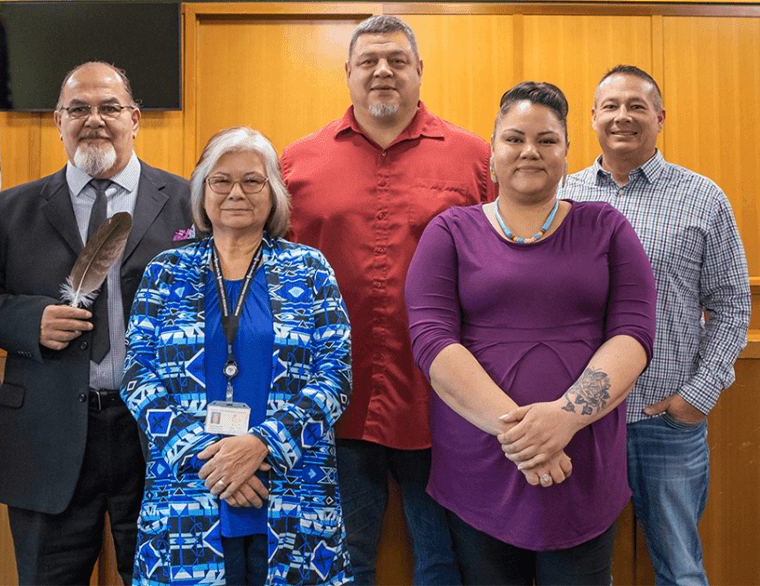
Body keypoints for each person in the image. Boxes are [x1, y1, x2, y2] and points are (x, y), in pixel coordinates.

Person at [404, 81, 657, 584]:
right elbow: (432, 339)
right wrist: (523, 437)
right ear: (492, 151)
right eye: (514, 139)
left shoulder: (606, 227)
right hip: (482, 461)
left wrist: (564, 419)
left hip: (581, 459)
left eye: (546, 140)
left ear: (566, 151)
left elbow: (634, 332)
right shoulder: (449, 231)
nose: (530, 152)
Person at [0, 62, 194, 585]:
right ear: (58, 123)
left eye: (109, 107)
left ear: (135, 118)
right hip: (46, 438)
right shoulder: (9, 209)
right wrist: (28, 320)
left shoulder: (191, 204)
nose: (94, 119)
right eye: (77, 109)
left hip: (161, 438)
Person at [280, 14, 494, 584]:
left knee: (446, 560)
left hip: (444, 400)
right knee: (342, 558)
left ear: (419, 71)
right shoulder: (295, 163)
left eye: (397, 61)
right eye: (368, 62)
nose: (383, 72)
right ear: (347, 73)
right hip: (331, 401)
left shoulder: (475, 159)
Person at [122, 126, 352, 586]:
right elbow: (137, 376)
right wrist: (215, 459)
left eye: (253, 180)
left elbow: (335, 374)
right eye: (220, 180)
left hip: (291, 485)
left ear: (274, 195)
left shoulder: (309, 269)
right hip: (191, 487)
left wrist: (261, 444)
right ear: (202, 192)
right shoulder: (166, 272)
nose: (236, 192)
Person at [565, 65, 751, 585]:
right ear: (593, 117)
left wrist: (697, 396)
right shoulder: (560, 194)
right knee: (575, 569)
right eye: (610, 106)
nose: (622, 116)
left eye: (637, 106)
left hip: (665, 423)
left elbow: (733, 306)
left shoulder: (702, 197)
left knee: (680, 569)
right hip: (577, 422)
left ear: (660, 118)